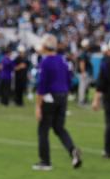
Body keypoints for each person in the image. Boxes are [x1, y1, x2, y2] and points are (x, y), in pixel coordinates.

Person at [33, 34, 83, 171]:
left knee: (43, 130)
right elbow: (69, 80)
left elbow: (42, 86)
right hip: (63, 96)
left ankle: (45, 161)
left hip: (50, 97)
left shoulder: (46, 62)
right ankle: (72, 150)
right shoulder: (63, 60)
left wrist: (38, 106)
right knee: (59, 128)